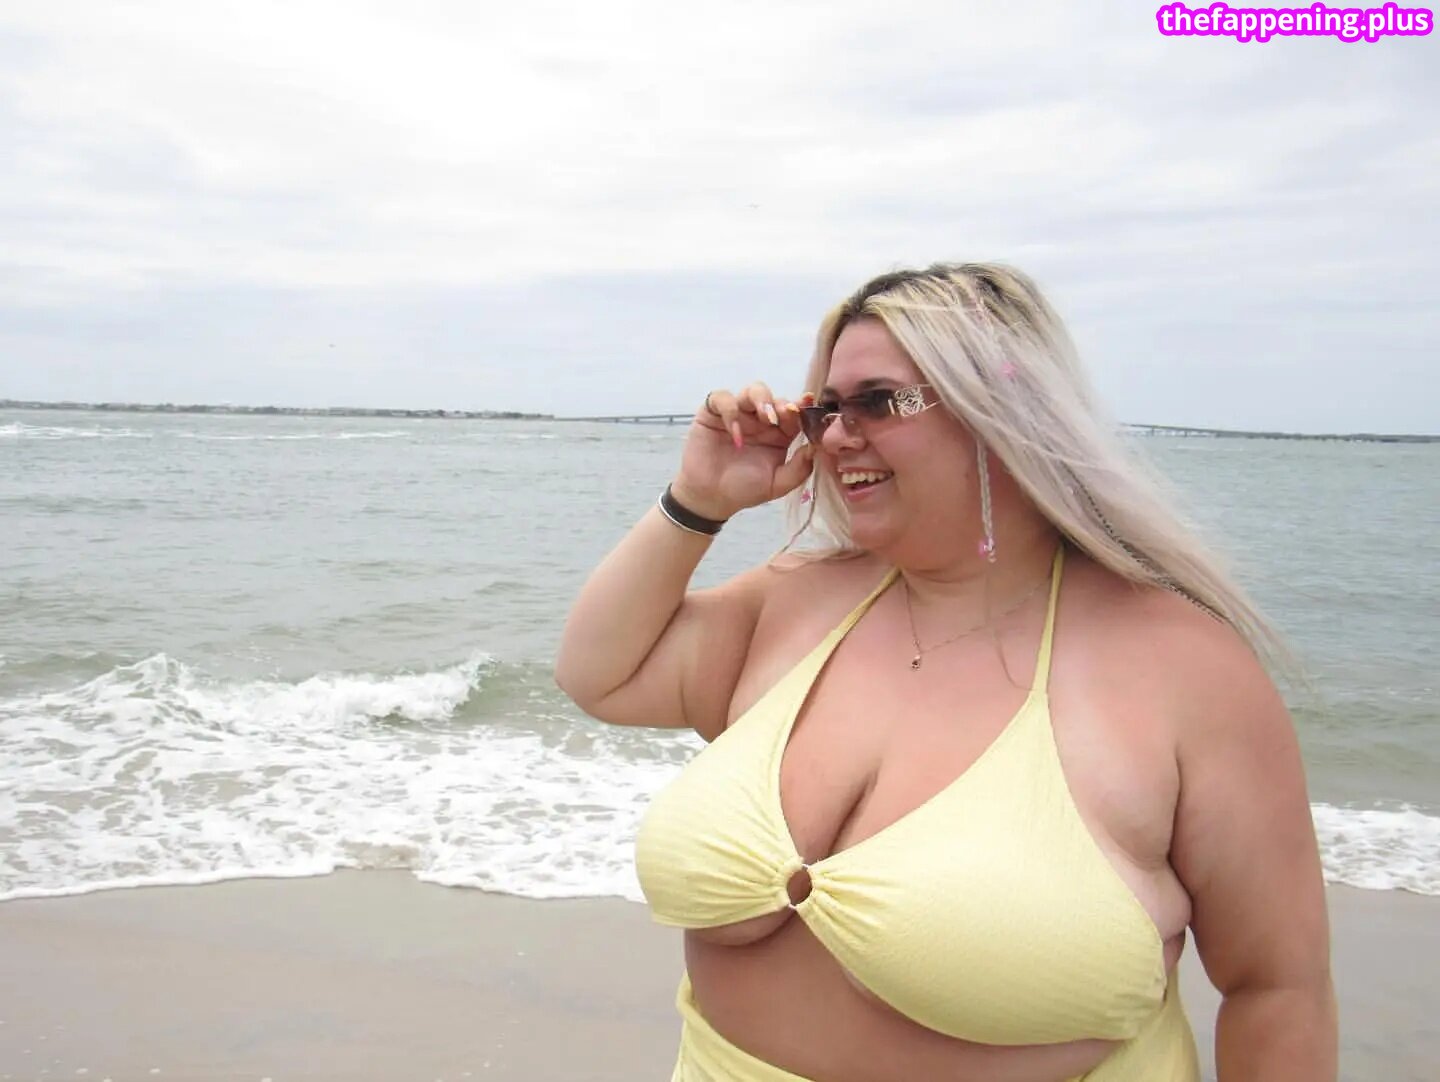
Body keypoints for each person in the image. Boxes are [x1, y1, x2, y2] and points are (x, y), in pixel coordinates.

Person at [555, 263, 1336, 1081]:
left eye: (877, 402)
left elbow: (1278, 988)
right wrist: (698, 498)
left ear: (1000, 411)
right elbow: (600, 674)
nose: (834, 436)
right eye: (826, 408)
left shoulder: (1181, 667)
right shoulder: (796, 600)